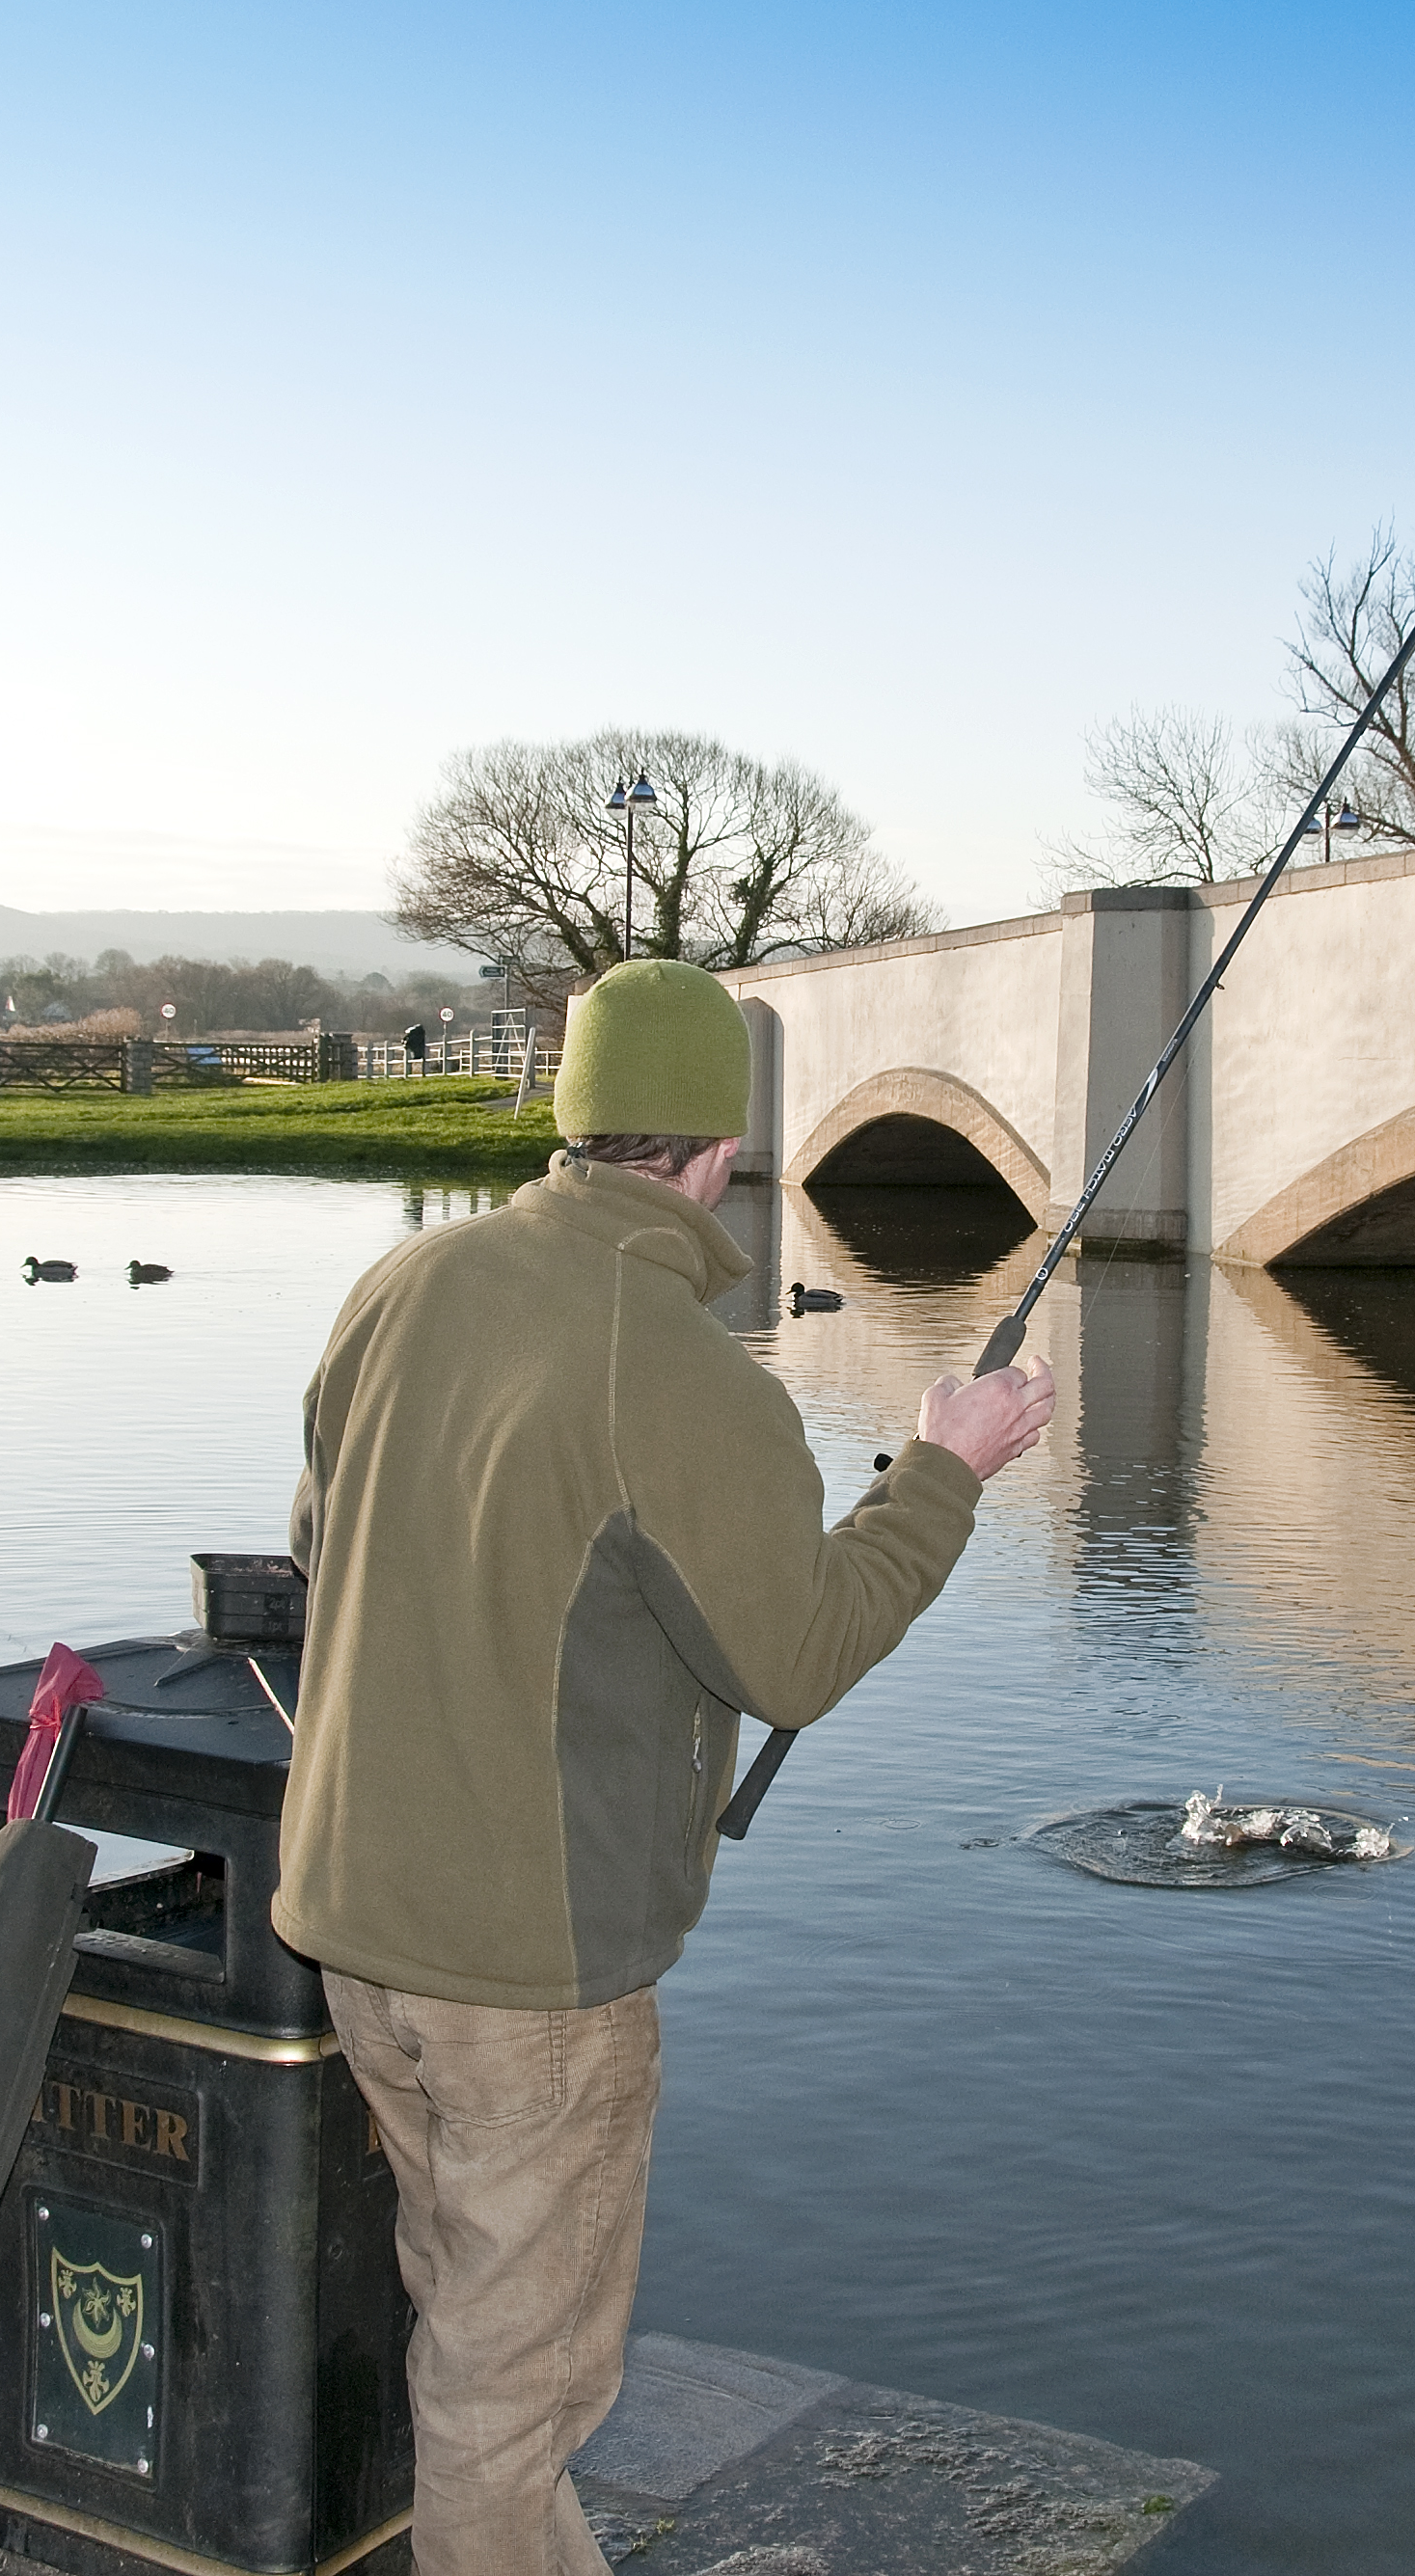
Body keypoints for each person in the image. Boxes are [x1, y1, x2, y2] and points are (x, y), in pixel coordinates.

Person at [273, 959, 1053, 2572]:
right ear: (718, 1149)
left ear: (571, 1116)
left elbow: (318, 1544)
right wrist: (941, 1469)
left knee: (474, 2330)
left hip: (356, 1923)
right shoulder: (689, 1373)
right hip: (530, 1981)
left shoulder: (401, 1286)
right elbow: (799, 1654)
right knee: (514, 2391)